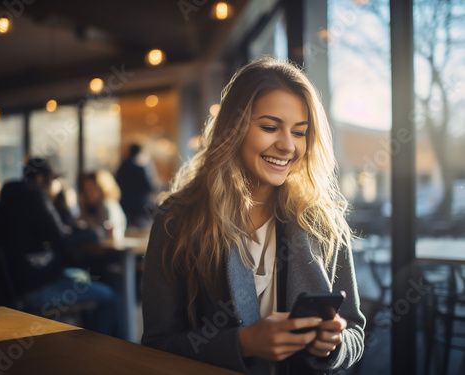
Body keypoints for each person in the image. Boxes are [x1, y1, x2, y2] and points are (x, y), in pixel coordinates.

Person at [141, 57, 365, 375]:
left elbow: (355, 331)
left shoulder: (323, 222)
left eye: (300, 133)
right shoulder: (177, 221)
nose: (288, 145)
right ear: (233, 129)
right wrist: (242, 343)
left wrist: (336, 344)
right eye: (270, 127)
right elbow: (157, 347)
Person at [0, 158, 118, 336]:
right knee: (108, 295)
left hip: (18, 287)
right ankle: (101, 349)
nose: (56, 186)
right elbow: (62, 239)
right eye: (54, 180)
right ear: (42, 180)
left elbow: (52, 235)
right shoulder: (34, 195)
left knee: (81, 279)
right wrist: (93, 234)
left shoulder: (9, 198)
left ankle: (89, 345)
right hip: (37, 289)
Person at [78, 170, 127, 241]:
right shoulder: (88, 206)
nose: (88, 193)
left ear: (102, 187)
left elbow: (110, 235)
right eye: (85, 189)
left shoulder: (107, 205)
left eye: (92, 188)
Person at [115, 144, 155, 227]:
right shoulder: (140, 168)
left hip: (123, 204)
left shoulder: (122, 166)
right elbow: (149, 187)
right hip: (138, 206)